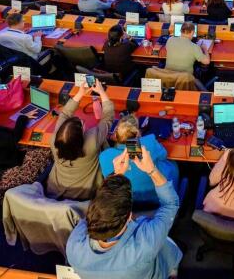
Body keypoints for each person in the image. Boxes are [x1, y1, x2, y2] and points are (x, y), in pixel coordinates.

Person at [67, 148, 182, 279]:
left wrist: (116, 175)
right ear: (129, 217)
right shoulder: (145, 243)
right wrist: (152, 170)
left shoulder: (73, 247)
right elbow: (171, 204)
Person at [47, 79, 114, 201]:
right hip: (86, 196)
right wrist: (102, 93)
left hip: (56, 192)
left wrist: (79, 94)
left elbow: (65, 114)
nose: (82, 120)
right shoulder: (92, 140)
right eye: (81, 124)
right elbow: (108, 118)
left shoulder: (54, 140)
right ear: (82, 137)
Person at [98, 115, 178, 206]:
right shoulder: (148, 142)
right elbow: (164, 155)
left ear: (115, 135)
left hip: (128, 202)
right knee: (173, 164)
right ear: (137, 133)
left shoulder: (104, 156)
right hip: (158, 197)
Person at [163, 21, 211, 89]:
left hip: (168, 77)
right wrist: (205, 49)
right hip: (184, 79)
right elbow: (207, 61)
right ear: (192, 32)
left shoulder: (170, 40)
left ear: (180, 31)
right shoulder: (194, 47)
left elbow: (167, 49)